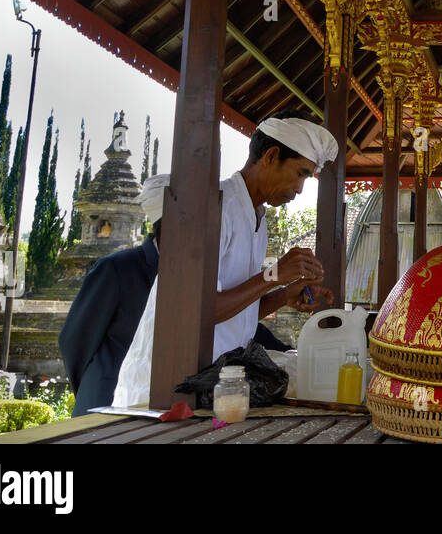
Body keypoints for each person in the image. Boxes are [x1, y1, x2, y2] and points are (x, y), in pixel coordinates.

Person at [112, 112, 338, 408]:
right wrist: (273, 275)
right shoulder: (215, 208)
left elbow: (235, 315)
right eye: (300, 174)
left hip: (215, 386)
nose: (299, 189)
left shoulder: (257, 218)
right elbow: (200, 313)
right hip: (166, 389)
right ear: (271, 156)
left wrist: (283, 295)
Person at [57, 178, 162, 415]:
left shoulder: (186, 273)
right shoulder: (116, 268)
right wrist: (93, 384)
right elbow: (75, 340)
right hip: (106, 399)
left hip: (154, 404)